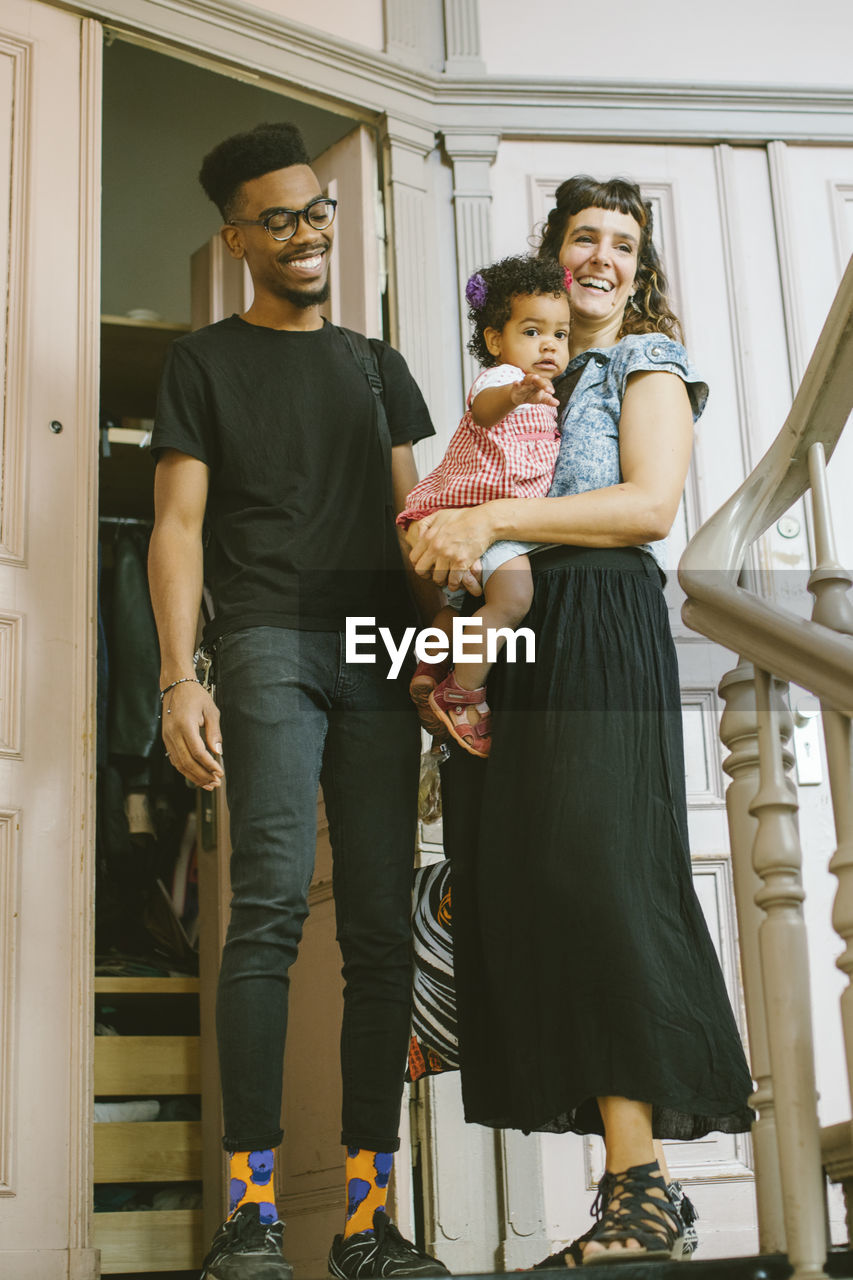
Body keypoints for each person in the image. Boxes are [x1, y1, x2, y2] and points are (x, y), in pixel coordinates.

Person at [407, 176, 754, 1265]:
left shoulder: (642, 362)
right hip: (519, 631)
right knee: (545, 886)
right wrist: (443, 552)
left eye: (620, 242)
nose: (601, 255)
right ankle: (630, 1190)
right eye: (581, 239)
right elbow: (467, 499)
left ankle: (645, 1188)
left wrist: (488, 515)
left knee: (606, 876)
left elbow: (649, 505)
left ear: (637, 267)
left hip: (599, 619)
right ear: (552, 259)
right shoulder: (522, 374)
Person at [148, 122, 448, 1280]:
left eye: (318, 208)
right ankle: (254, 1215)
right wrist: (183, 676)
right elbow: (176, 529)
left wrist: (451, 657)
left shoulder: (378, 367)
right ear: (238, 237)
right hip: (266, 634)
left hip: (374, 645)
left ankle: (369, 1221)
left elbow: (419, 524)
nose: (309, 229)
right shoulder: (204, 363)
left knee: (379, 930)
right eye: (280, 216)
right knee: (268, 909)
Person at [398, 255, 572, 758]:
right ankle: (463, 693)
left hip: (487, 522)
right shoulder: (500, 381)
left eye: (560, 335)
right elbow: (484, 409)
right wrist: (517, 393)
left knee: (461, 610)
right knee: (514, 598)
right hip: (464, 512)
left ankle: (433, 661)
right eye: (533, 331)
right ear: (497, 340)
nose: (549, 345)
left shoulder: (549, 395)